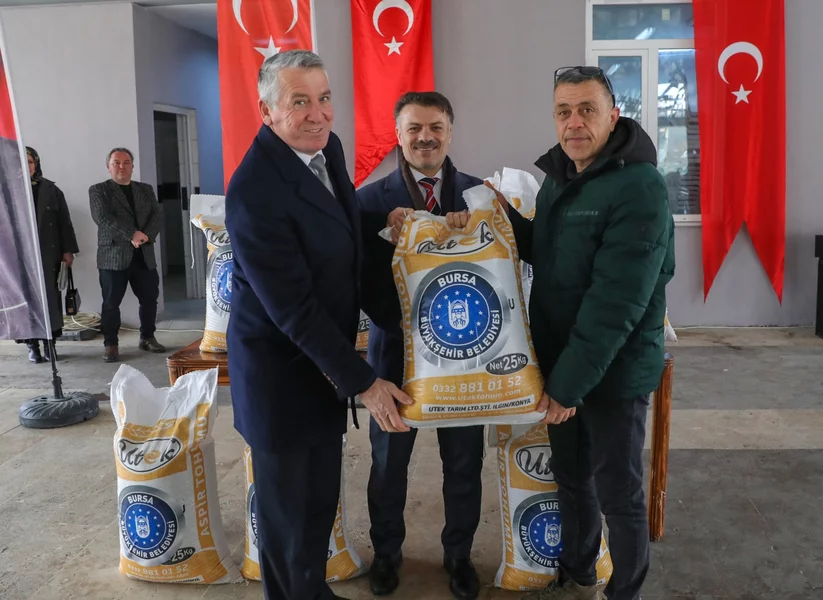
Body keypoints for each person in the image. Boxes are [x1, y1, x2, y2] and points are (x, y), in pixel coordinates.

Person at [447, 66, 675, 600]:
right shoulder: (560, 178)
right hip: (564, 364)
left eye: (587, 110)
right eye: (564, 111)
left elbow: (615, 304)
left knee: (619, 492)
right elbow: (546, 251)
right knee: (572, 479)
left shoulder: (640, 186)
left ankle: (625, 591)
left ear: (613, 116)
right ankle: (578, 570)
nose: (575, 122)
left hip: (612, 372)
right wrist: (497, 216)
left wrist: (567, 387)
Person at [225, 49, 412, 600]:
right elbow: (293, 308)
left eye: (325, 98)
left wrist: (382, 219)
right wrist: (364, 382)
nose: (318, 113)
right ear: (266, 111)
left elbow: (336, 215)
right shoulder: (254, 190)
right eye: (300, 101)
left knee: (318, 506)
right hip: (281, 376)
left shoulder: (325, 148)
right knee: (287, 523)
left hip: (322, 367)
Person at [358, 91, 484, 600]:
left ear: (450, 132)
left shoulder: (479, 198)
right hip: (394, 357)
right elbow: (358, 280)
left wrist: (473, 232)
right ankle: (387, 554)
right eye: (414, 128)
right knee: (389, 463)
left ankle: (459, 556)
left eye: (435, 127)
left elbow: (501, 271)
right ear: (398, 134)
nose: (425, 138)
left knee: (464, 463)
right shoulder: (368, 202)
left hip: (466, 359)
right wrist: (406, 325)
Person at [88, 147, 165, 362]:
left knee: (149, 299)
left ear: (132, 166)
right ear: (109, 167)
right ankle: (111, 344)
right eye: (116, 163)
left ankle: (147, 337)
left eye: (126, 162)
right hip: (113, 257)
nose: (121, 166)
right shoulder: (99, 190)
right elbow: (102, 218)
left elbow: (157, 215)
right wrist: (131, 234)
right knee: (111, 303)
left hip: (144, 255)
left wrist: (145, 236)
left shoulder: (145, 189)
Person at [13, 147, 79, 363]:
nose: (27, 166)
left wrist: (68, 250)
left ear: (37, 163)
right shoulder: (8, 189)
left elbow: (64, 222)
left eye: (30, 161)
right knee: (27, 300)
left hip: (48, 254)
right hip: (20, 257)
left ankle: (50, 344)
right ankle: (32, 345)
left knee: (49, 300)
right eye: (22, 161)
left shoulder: (51, 190)